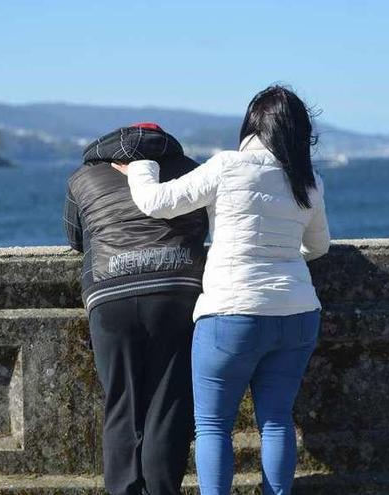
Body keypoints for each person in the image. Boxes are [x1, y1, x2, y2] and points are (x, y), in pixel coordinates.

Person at [112, 86, 331, 495]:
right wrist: (279, 251)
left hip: (232, 314)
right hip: (299, 314)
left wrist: (141, 166)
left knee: (213, 425)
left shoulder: (229, 165)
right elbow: (317, 246)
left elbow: (159, 202)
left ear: (252, 125)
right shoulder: (309, 180)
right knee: (278, 419)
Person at [63, 123, 209, 495]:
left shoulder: (83, 177)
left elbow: (75, 238)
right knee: (168, 405)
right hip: (176, 293)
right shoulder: (191, 168)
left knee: (121, 406)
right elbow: (203, 227)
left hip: (110, 294)